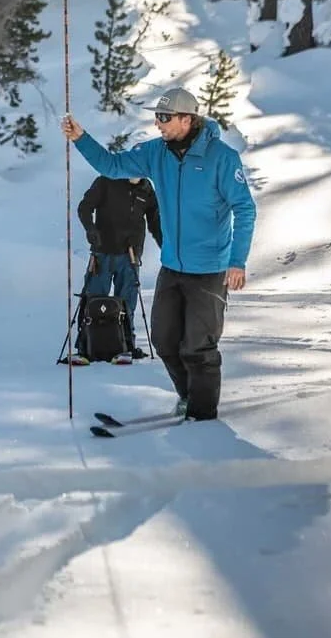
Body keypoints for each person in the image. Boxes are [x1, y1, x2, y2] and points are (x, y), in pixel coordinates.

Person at [61, 86, 256, 421]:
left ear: (187, 119)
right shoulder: (156, 153)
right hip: (173, 266)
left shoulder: (222, 158)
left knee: (198, 347)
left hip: (210, 269)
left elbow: (245, 209)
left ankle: (203, 415)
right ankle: (188, 398)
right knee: (165, 342)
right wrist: (81, 138)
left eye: (165, 118)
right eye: (157, 117)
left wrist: (236, 262)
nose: (159, 124)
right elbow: (112, 165)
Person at [74, 175, 161, 363]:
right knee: (93, 298)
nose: (135, 171)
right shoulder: (106, 181)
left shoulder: (146, 189)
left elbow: (155, 221)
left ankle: (126, 346)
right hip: (102, 252)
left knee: (127, 303)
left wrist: (167, 247)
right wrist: (90, 229)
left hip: (130, 255)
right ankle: (85, 347)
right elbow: (85, 207)